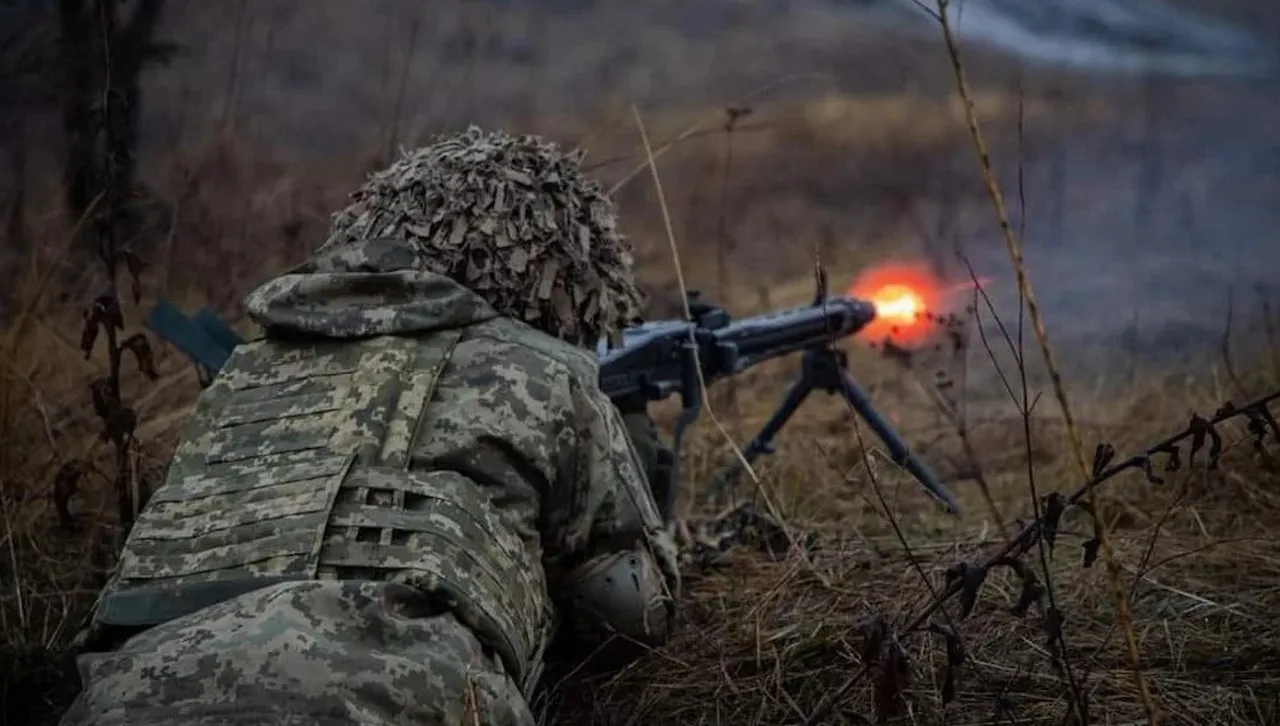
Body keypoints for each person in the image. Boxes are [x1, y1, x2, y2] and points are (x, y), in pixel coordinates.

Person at [59, 126, 682, 726]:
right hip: (388, 701)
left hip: (126, 699)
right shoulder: (540, 369)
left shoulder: (241, 375)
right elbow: (625, 614)